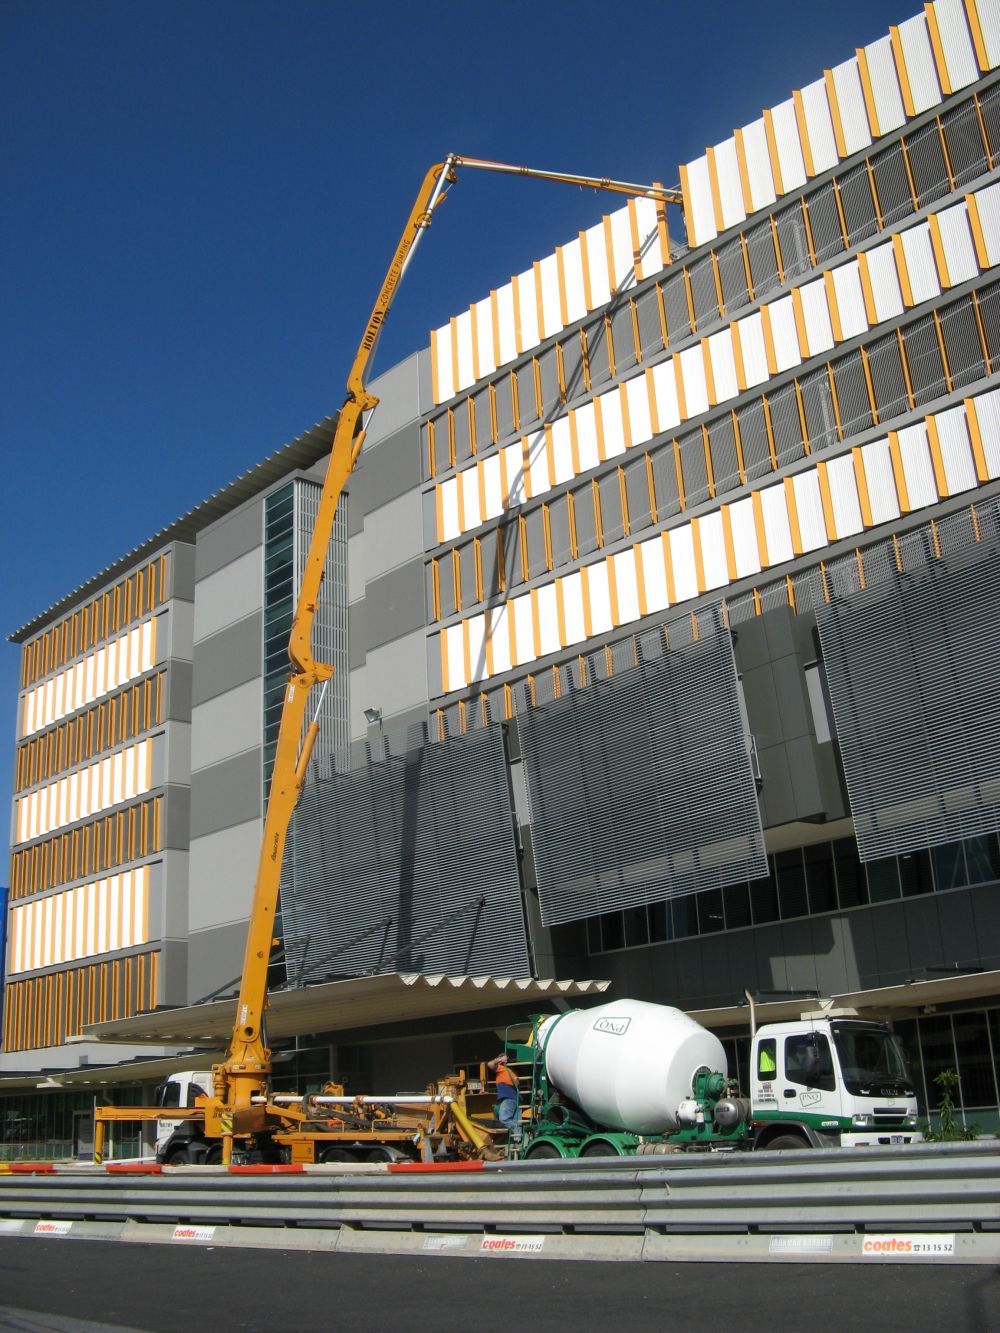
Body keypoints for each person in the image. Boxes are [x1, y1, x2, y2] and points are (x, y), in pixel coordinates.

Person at [488, 1054, 521, 1140]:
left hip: (508, 1097)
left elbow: (490, 1064)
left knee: (504, 1119)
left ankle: (517, 1132)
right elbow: (517, 1082)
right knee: (516, 1121)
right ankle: (518, 1141)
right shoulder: (510, 1071)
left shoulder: (501, 1068)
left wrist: (499, 1059)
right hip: (515, 1099)